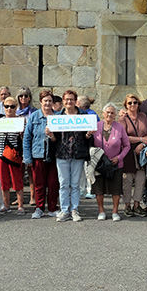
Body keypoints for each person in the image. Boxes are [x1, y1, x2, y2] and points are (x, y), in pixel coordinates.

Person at [50, 90, 92, 222]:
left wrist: (89, 134)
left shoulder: (83, 115)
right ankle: (64, 210)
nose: (69, 102)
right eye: (67, 99)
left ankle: (74, 209)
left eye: (71, 99)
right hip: (61, 154)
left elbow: (86, 137)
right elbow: (54, 139)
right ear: (63, 101)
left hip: (77, 154)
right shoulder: (57, 116)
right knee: (63, 184)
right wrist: (50, 135)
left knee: (75, 184)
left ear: (75, 101)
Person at [23, 90, 60, 219]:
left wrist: (52, 136)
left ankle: (52, 207)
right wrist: (27, 157)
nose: (48, 103)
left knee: (53, 183)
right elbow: (27, 138)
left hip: (54, 155)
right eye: (45, 101)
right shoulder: (34, 117)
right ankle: (39, 207)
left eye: (50, 101)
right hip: (38, 154)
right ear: (40, 102)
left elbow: (60, 138)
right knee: (39, 183)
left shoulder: (57, 117)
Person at [92, 103, 130, 221]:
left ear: (115, 115)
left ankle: (115, 211)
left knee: (116, 188)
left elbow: (127, 146)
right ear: (103, 113)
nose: (109, 114)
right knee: (99, 188)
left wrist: (119, 157)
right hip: (99, 163)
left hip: (115, 164)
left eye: (112, 112)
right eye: (107, 112)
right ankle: (101, 210)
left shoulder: (119, 127)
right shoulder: (96, 126)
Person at [120, 94, 147, 217]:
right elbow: (123, 137)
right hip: (128, 153)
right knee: (127, 180)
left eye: (135, 102)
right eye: (129, 103)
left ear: (138, 104)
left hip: (142, 152)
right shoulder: (123, 119)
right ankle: (127, 206)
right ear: (126, 105)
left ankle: (137, 205)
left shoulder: (143, 116)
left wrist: (143, 144)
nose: (132, 105)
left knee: (140, 179)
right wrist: (141, 139)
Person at [0, 97, 25, 215]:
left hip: (14, 154)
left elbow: (24, 139)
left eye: (12, 106)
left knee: (17, 179)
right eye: (7, 106)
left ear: (16, 108)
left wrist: (22, 131)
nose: (9, 109)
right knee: (4, 180)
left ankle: (20, 206)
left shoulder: (20, 120)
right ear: (3, 107)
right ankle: (6, 205)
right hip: (0, 153)